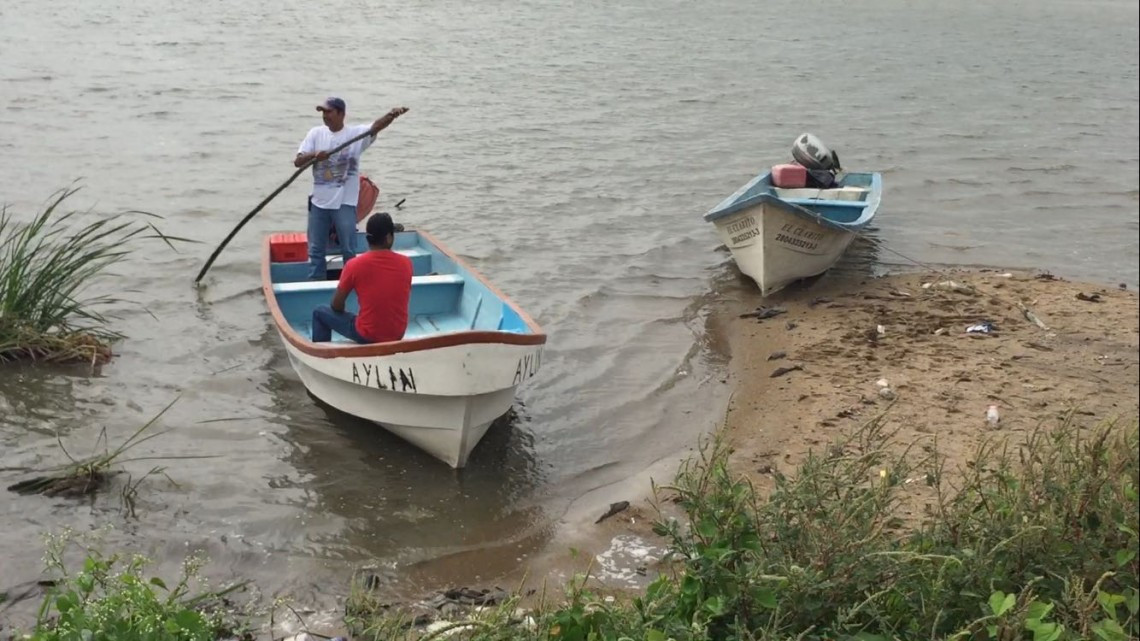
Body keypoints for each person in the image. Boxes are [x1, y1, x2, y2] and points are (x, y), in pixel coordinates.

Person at [295, 97, 409, 280]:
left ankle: (351, 283)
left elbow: (376, 127)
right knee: (316, 250)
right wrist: (314, 155)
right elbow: (298, 161)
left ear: (341, 114)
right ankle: (316, 283)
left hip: (344, 204)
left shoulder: (355, 135)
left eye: (329, 112)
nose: (325, 116)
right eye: (322, 112)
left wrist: (391, 115)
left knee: (349, 249)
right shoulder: (315, 134)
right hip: (319, 204)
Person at [311, 213, 413, 344]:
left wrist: (345, 314)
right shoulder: (406, 263)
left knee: (319, 312)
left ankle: (323, 357)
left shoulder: (354, 265)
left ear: (367, 238)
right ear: (388, 238)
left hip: (368, 335)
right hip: (397, 334)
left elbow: (336, 305)